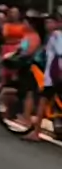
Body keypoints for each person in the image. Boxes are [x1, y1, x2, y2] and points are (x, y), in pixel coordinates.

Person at [24, 14, 62, 142]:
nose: (48, 25)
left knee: (43, 100)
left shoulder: (56, 35)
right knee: (44, 100)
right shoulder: (50, 36)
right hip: (53, 74)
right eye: (47, 23)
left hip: (54, 75)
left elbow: (59, 52)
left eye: (51, 22)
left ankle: (36, 132)